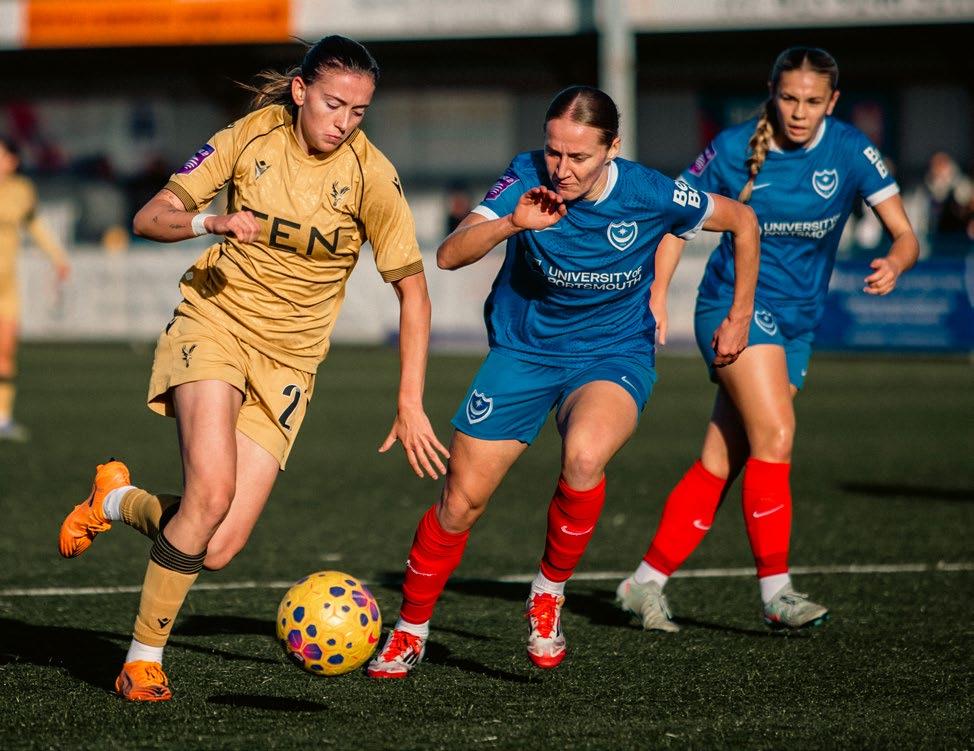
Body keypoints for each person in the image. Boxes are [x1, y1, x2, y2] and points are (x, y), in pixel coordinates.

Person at [57, 35, 448, 701]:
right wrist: (210, 223)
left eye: (358, 111)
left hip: (290, 363)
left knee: (215, 547)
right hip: (215, 323)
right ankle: (142, 660)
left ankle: (114, 500)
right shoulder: (249, 137)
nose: (344, 122)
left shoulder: (372, 176)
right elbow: (152, 216)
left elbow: (414, 292)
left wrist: (410, 402)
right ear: (300, 91)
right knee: (210, 494)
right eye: (333, 104)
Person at [366, 85, 760, 679]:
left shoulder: (651, 192)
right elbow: (448, 255)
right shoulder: (525, 176)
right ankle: (411, 628)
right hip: (522, 352)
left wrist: (739, 313)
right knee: (460, 502)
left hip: (612, 353)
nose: (562, 168)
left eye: (579, 156)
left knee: (584, 457)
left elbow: (743, 220)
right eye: (554, 151)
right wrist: (511, 223)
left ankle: (548, 593)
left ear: (612, 148)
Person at [616, 47, 919, 632]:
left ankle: (643, 581)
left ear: (833, 101)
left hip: (799, 324)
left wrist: (897, 262)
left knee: (724, 458)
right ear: (771, 93)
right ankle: (777, 593)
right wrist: (657, 294)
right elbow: (674, 220)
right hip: (733, 310)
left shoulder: (851, 150)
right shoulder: (732, 148)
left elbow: (905, 234)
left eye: (812, 101)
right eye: (788, 98)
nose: (799, 112)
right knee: (776, 434)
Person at [0, 136, 70, 441]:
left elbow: (34, 225)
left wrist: (57, 257)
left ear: (12, 161)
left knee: (5, 352)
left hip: (6, 287)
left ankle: (2, 418)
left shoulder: (22, 190)